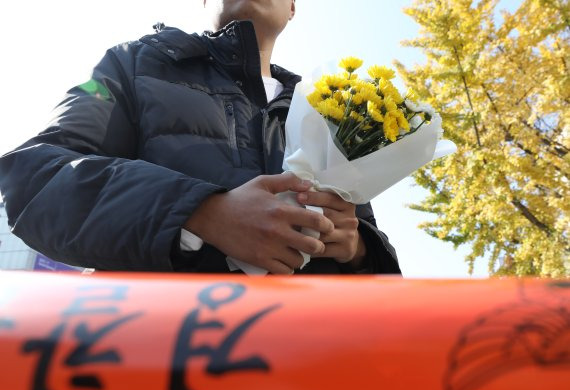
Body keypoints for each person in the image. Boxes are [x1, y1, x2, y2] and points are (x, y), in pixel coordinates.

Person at [0, 0, 400, 275]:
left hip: (310, 360)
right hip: (160, 353)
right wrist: (201, 212)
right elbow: (35, 177)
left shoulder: (334, 113)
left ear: (293, 6)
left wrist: (358, 250)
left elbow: (382, 285)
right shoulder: (129, 64)